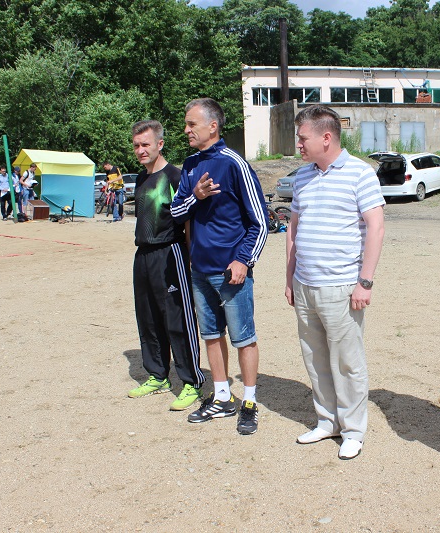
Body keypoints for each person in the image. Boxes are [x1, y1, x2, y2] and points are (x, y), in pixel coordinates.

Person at [284, 105, 385, 460]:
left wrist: (365, 282)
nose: (298, 143)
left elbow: (376, 227)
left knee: (347, 360)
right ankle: (328, 421)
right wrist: (289, 276)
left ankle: (354, 429)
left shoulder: (360, 174)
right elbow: (293, 228)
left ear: (326, 137)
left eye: (303, 137)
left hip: (342, 285)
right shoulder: (301, 177)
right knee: (315, 357)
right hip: (305, 284)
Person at [171, 97, 268, 436]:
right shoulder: (189, 165)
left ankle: (250, 402)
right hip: (199, 271)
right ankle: (223, 397)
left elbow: (260, 220)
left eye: (191, 124)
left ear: (212, 126)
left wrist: (243, 259)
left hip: (231, 272)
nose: (186, 130)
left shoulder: (234, 164)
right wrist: (194, 196)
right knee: (211, 336)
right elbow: (175, 213)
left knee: (244, 339)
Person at [126, 119, 205, 412]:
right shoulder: (139, 178)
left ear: (160, 144)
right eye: (136, 145)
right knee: (147, 317)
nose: (140, 150)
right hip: (143, 254)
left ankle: (191, 381)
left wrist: (189, 257)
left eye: (145, 144)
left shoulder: (175, 176)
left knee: (177, 318)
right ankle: (157, 375)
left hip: (170, 252)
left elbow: (187, 220)